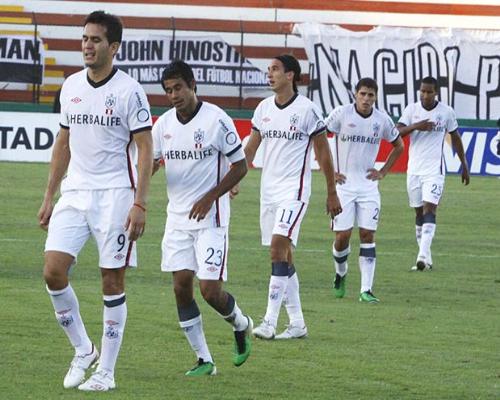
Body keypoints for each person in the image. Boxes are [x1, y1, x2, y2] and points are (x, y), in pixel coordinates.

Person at [37, 11, 153, 391]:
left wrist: (140, 203)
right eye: (85, 38)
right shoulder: (71, 86)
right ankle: (84, 350)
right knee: (53, 271)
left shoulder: (130, 91)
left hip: (116, 195)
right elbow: (64, 142)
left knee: (111, 280)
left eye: (96, 40)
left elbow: (145, 147)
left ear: (113, 47)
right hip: (74, 193)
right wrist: (49, 194)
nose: (87, 45)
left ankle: (106, 372)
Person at [152, 60, 252, 376]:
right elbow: (150, 162)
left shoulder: (217, 120)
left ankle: (241, 324)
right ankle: (204, 360)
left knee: (209, 290)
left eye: (178, 88)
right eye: (168, 90)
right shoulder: (162, 126)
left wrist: (211, 196)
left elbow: (240, 166)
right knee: (181, 288)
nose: (174, 95)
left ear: (193, 85)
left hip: (211, 219)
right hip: (177, 219)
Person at [243, 54, 342, 340]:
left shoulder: (307, 110)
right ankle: (297, 323)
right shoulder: (263, 109)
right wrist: (235, 181)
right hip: (268, 192)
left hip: (294, 192)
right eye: (268, 69)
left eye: (275, 69)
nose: (269, 74)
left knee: (278, 248)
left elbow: (323, 153)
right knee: (284, 255)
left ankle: (269, 321)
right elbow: (250, 149)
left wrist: (332, 192)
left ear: (290, 75)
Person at [325, 77, 404, 303]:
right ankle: (341, 273)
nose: (366, 99)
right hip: (343, 187)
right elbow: (318, 139)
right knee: (342, 237)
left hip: (369, 187)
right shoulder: (341, 114)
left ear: (376, 97)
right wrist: (331, 172)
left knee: (367, 234)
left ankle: (366, 290)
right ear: (355, 95)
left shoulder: (382, 120)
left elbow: (399, 145)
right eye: (363, 94)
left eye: (371, 95)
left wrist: (383, 171)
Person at [397, 76, 470, 271]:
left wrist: (464, 163)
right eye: (422, 91)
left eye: (429, 92)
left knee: (429, 209)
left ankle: (421, 256)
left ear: (436, 92)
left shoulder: (446, 112)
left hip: (434, 170)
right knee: (418, 213)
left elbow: (455, 137)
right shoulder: (411, 110)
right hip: (414, 170)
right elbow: (397, 132)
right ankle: (427, 259)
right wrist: (416, 126)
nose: (425, 95)